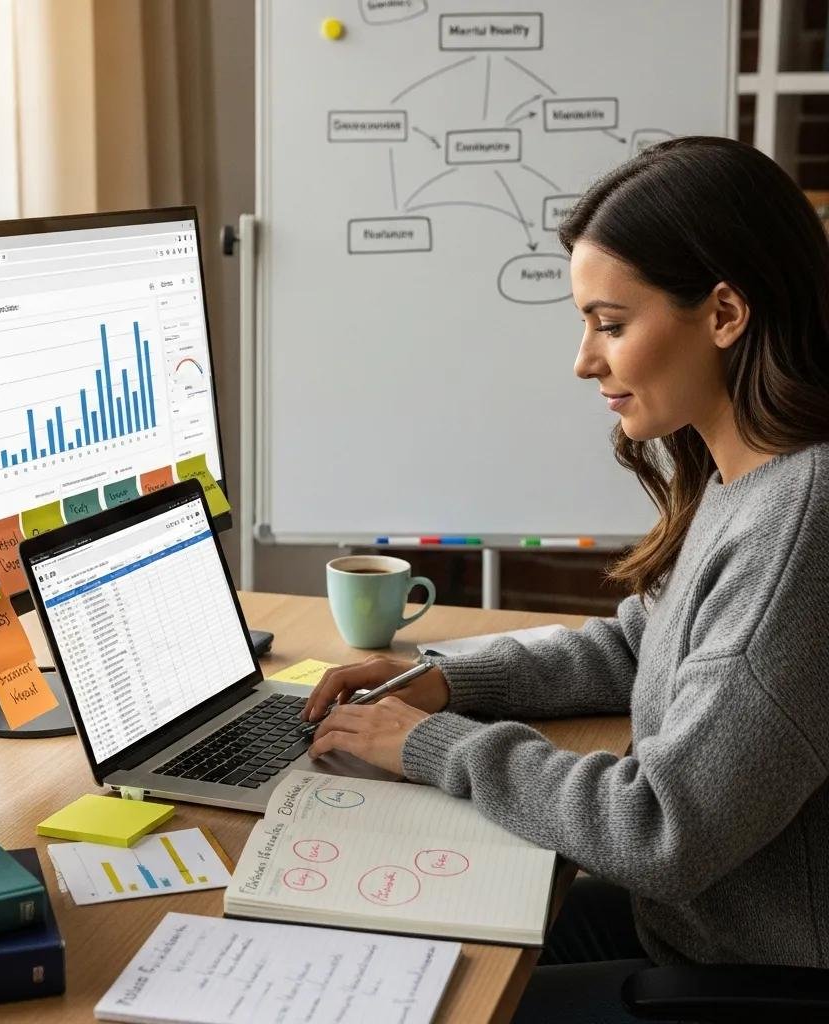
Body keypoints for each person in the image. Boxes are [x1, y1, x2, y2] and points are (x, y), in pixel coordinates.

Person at [301, 136, 829, 1022]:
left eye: (612, 324)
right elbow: (641, 642)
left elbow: (659, 825)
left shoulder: (801, 520)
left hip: (761, 977)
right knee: (404, 936)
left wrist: (430, 745)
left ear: (725, 314)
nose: (585, 360)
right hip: (697, 928)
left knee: (431, 1004)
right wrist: (443, 680)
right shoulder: (753, 477)